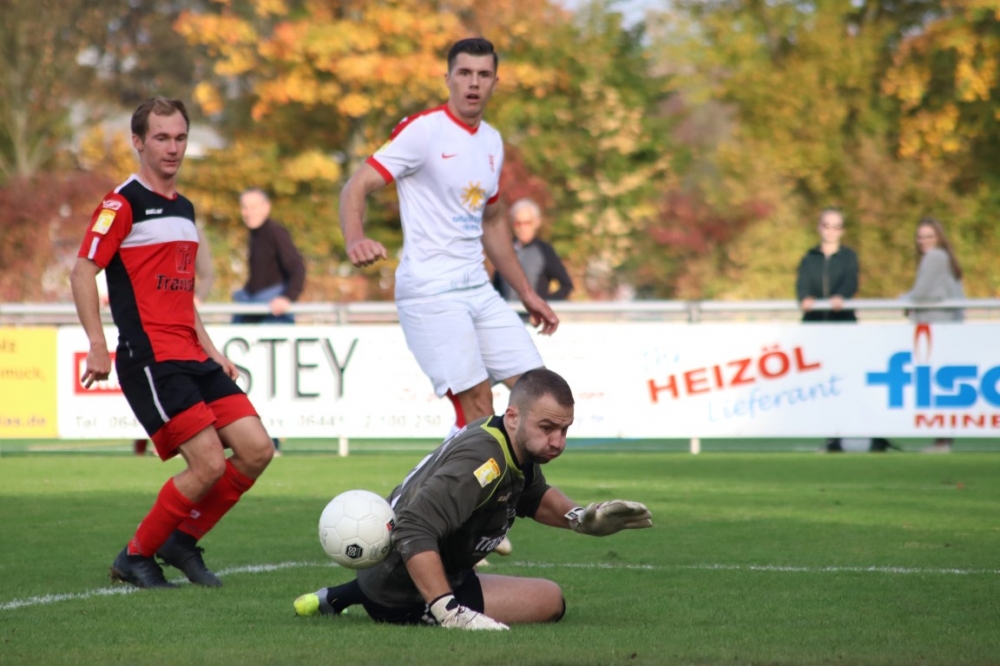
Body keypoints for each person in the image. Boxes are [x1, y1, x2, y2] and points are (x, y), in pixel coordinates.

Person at [69, 97, 275, 589]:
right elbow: (82, 271)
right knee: (205, 463)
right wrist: (97, 343)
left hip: (193, 355)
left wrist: (214, 350)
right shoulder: (122, 203)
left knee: (256, 449)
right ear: (138, 142)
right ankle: (135, 556)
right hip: (151, 358)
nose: (172, 147)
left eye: (180, 137)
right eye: (161, 137)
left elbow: (182, 297)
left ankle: (180, 541)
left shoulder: (185, 208)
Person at [293, 368, 652, 629]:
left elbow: (535, 495)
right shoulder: (486, 461)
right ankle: (396, 604)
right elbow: (413, 527)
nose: (557, 442)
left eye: (564, 430)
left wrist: (580, 518)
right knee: (550, 601)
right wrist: (447, 609)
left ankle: (341, 596)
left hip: (413, 571)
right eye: (547, 428)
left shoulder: (508, 442)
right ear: (513, 416)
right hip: (408, 589)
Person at [338, 37, 559, 439]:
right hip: (430, 291)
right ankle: (445, 499)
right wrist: (355, 238)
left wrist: (526, 293)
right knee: (478, 407)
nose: (473, 83)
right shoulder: (422, 132)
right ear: (448, 79)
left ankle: (482, 494)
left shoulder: (491, 142)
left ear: (495, 82)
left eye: (483, 74)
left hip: (477, 288)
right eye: (464, 73)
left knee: (541, 397)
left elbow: (492, 223)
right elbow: (355, 186)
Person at [131, 224, 214, 456]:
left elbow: (206, 274)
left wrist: (196, 299)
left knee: (179, 380)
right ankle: (149, 442)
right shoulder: (135, 224)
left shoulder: (188, 226)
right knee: (150, 382)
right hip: (147, 323)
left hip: (180, 324)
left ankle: (176, 439)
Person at [904, 217, 965, 453]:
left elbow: (920, 293)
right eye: (920, 237)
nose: (923, 241)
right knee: (943, 384)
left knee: (937, 385)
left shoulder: (936, 257)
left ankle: (942, 440)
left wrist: (899, 301)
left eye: (928, 236)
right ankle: (943, 439)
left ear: (938, 237)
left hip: (937, 328)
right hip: (946, 326)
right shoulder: (945, 258)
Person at [232, 188, 306, 324]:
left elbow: (298, 268)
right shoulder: (255, 234)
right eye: (245, 208)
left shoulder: (275, 232)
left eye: (253, 207)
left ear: (266, 207)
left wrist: (287, 298)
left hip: (272, 311)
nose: (248, 213)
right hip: (254, 304)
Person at [492, 198, 574, 302]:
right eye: (518, 223)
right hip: (508, 315)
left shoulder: (544, 250)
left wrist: (544, 306)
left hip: (532, 317)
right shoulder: (506, 250)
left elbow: (566, 285)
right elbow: (495, 287)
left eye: (527, 223)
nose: (522, 228)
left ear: (536, 223)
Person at [795, 208, 859, 322]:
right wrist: (805, 297)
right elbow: (802, 282)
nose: (831, 231)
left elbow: (850, 281)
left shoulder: (849, 257)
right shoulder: (809, 257)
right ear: (819, 227)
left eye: (836, 226)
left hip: (843, 320)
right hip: (814, 320)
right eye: (827, 225)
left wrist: (841, 296)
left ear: (842, 230)